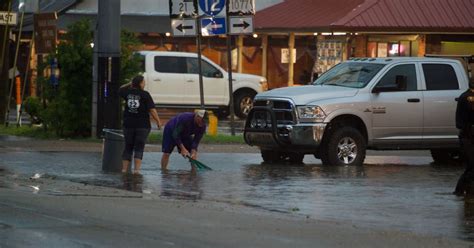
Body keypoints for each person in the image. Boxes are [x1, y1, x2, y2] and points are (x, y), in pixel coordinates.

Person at [119, 75, 162, 174]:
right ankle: (137, 170)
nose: (145, 83)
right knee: (139, 147)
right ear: (140, 83)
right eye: (143, 82)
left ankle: (124, 170)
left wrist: (130, 83)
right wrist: (158, 121)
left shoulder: (127, 92)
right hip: (143, 126)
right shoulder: (145, 94)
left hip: (128, 124)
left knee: (128, 146)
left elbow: (120, 89)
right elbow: (152, 110)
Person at [454, 81, 474, 195]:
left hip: (468, 136)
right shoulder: (468, 97)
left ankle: (465, 193)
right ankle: (460, 192)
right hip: (468, 137)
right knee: (472, 167)